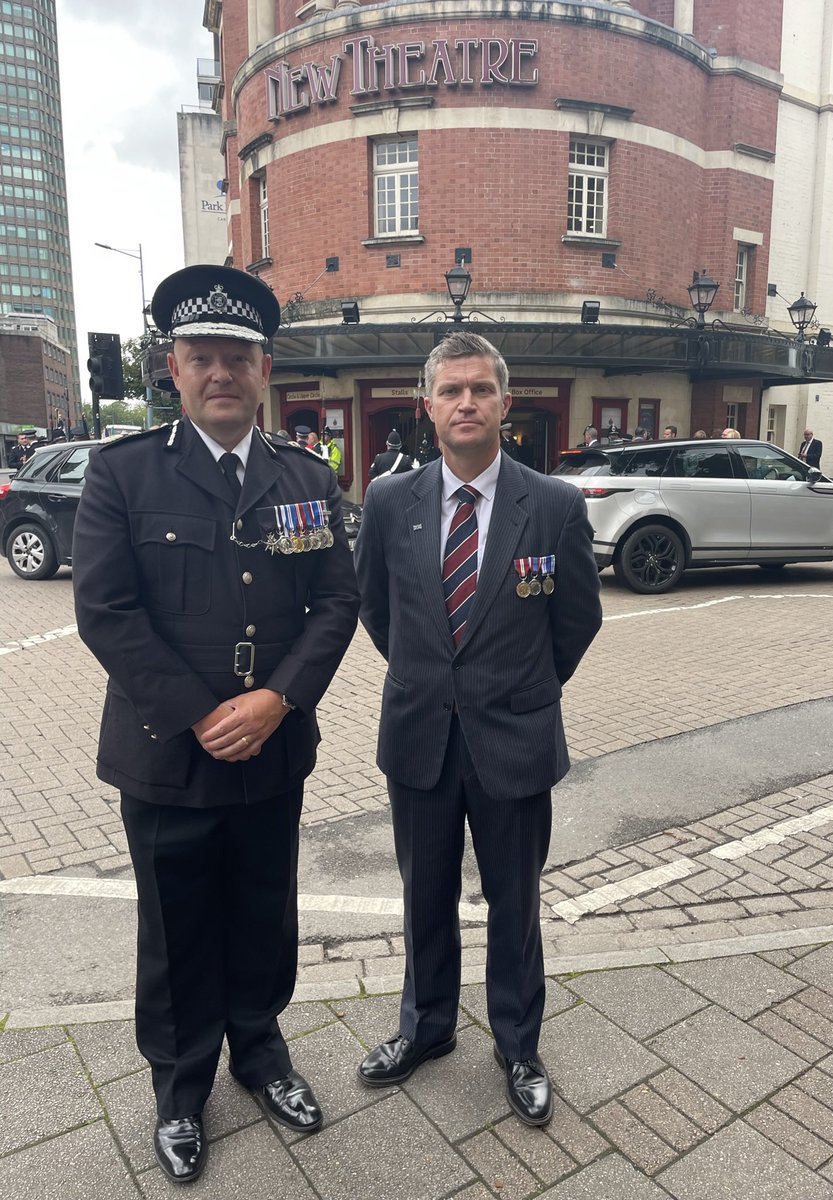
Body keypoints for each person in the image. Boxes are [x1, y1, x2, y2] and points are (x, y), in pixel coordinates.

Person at [72, 265, 360, 1185]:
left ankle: (262, 1055)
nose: (221, 373)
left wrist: (277, 699)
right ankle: (181, 1084)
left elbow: (335, 599)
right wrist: (201, 714)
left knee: (263, 913)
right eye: (203, 358)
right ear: (174, 367)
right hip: (168, 752)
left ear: (265, 369)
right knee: (177, 923)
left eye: (238, 357)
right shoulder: (123, 472)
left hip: (272, 747)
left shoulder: (303, 475)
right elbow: (106, 612)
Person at [353, 330, 602, 1127]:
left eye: (480, 390)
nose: (466, 402)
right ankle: (425, 1029)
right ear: (427, 407)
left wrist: (521, 690)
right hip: (421, 733)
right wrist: (440, 679)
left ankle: (519, 1043)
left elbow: (577, 622)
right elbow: (377, 611)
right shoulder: (390, 502)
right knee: (423, 896)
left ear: (505, 401)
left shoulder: (554, 504)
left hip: (516, 737)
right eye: (450, 390)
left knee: (514, 901)